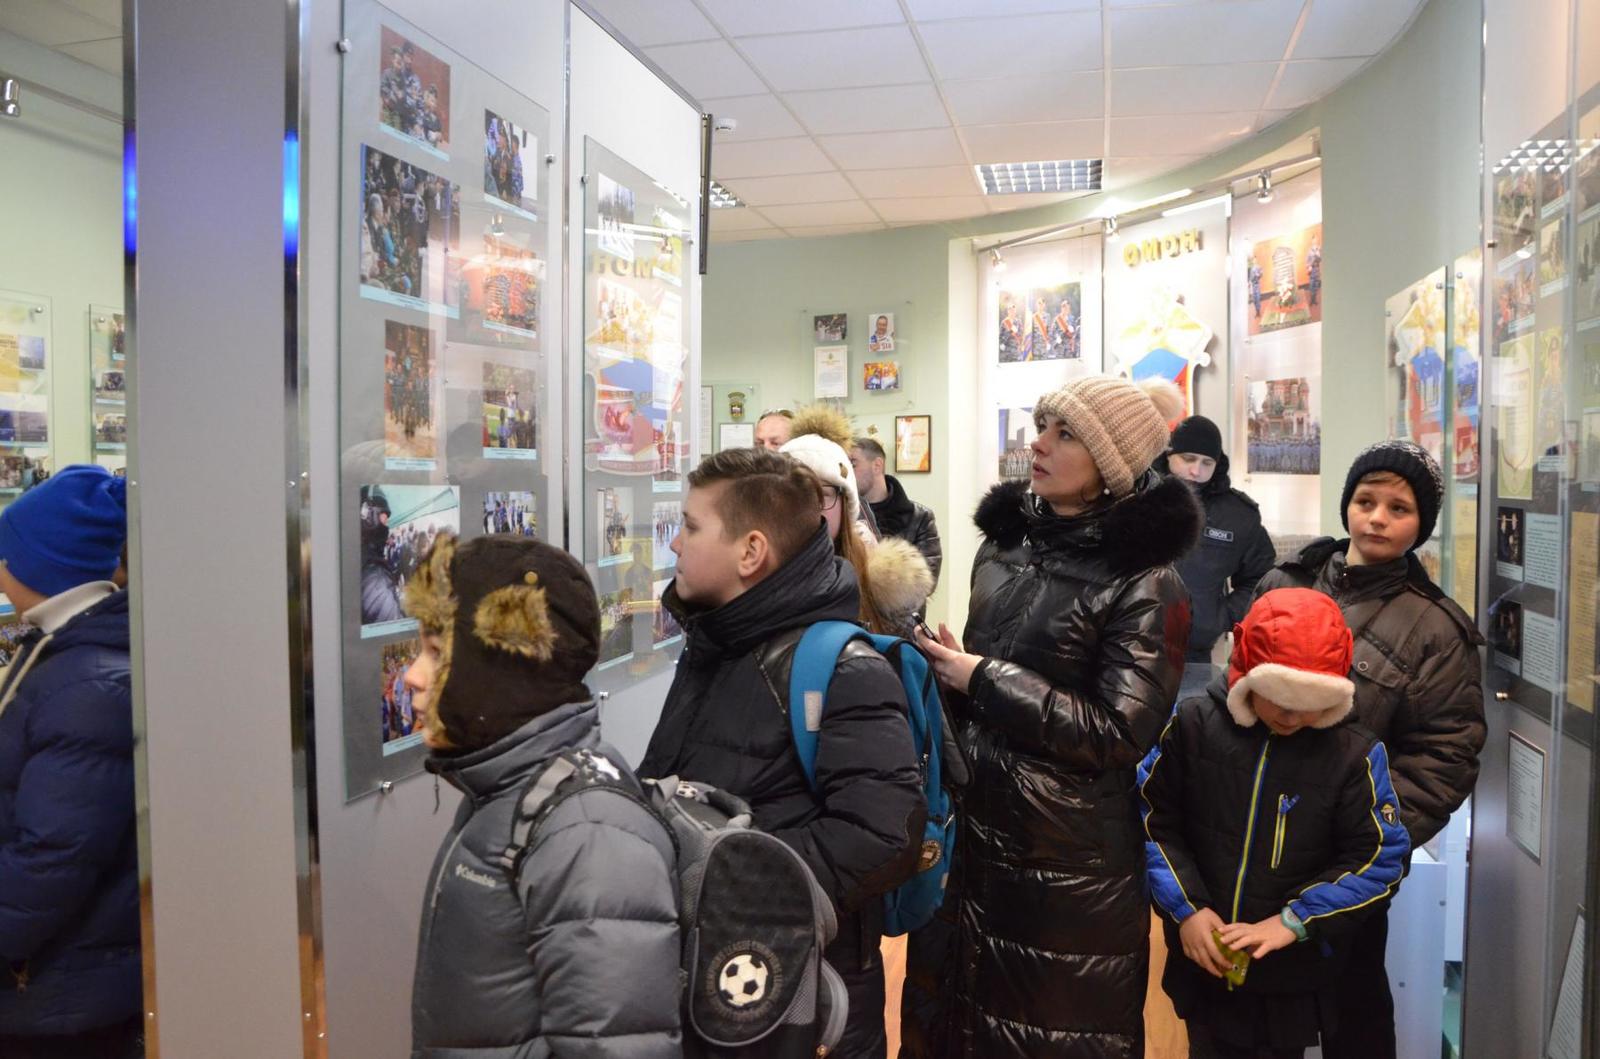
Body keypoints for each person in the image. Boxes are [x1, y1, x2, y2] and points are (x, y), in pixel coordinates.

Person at [904, 376, 1200, 1058]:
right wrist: (953, 673)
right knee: (945, 1020)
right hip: (970, 835)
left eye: (1066, 433)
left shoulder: (1148, 579)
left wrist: (982, 676)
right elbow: (989, 681)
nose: (1038, 442)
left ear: (1111, 467)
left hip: (1063, 864)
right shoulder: (1004, 548)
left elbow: (1118, 731)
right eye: (1043, 424)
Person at [639, 447, 925, 1059]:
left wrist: (720, 876)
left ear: (751, 551)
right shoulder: (716, 644)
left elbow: (882, 836)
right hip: (727, 981)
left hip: (806, 996)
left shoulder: (842, 669)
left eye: (691, 527)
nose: (675, 546)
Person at [404, 533, 682, 1058]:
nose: (412, 677)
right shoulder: (509, 789)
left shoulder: (586, 831)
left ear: (500, 671)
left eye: (436, 653)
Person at [1253, 439, 1486, 1059]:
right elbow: (1239, 696)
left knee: (1353, 1009)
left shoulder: (1437, 628)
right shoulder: (1286, 582)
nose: (1378, 518)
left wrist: (1370, 837)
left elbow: (1443, 756)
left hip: (1347, 860)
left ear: (1422, 524)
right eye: (1365, 501)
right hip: (1254, 838)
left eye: (1399, 508)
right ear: (1347, 505)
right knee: (1249, 1007)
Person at [1138, 588, 1409, 1059]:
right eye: (1278, 696)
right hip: (1203, 957)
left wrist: (1295, 920)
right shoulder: (1194, 725)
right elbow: (1150, 818)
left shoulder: (1354, 755)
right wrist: (1187, 909)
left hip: (1293, 973)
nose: (1291, 714)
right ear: (1246, 678)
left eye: (1311, 701)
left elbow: (1379, 858)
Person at [0, 465, 140, 1058]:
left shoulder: (82, 683)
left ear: (37, 567)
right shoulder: (71, 654)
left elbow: (55, 856)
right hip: (61, 979)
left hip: (58, 991)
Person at [781, 408, 935, 638]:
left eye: (824, 494)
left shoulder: (881, 589)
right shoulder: (746, 583)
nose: (809, 509)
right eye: (794, 495)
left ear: (846, 505)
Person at [1158, 415, 1276, 701]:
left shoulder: (1238, 515)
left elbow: (1260, 577)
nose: (1196, 470)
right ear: (1170, 454)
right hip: (1126, 641)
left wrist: (1219, 616)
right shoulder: (1136, 496)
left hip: (1195, 651)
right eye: (1188, 458)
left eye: (1206, 463)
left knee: (1184, 729)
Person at [851, 436, 943, 590]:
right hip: (852, 612)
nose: (846, 472)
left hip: (901, 612)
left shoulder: (919, 517)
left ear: (877, 465)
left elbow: (926, 581)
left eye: (853, 464)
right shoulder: (842, 516)